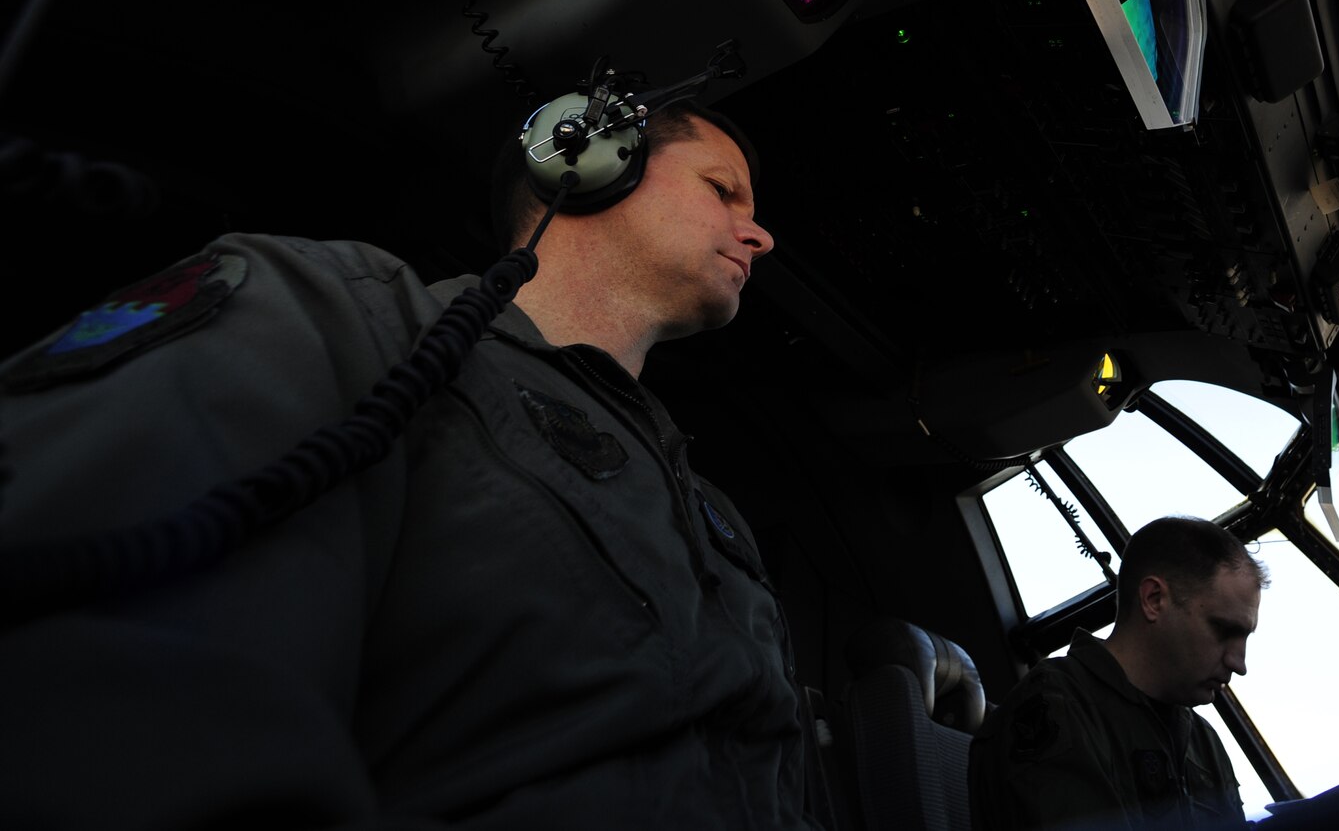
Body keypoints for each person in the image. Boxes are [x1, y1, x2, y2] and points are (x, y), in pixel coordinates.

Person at [0, 93, 813, 830]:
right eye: (722, 189)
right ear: (591, 158)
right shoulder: (350, 316)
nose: (760, 231)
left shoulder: (718, 517)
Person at [968, 516, 1268, 830]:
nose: (1239, 663)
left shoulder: (1202, 741)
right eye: (1223, 630)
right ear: (1154, 600)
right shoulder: (1054, 708)